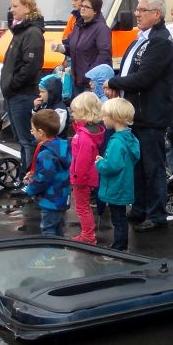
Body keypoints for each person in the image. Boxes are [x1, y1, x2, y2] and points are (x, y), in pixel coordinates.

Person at [106, 0, 173, 233]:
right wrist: (116, 82)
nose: (137, 13)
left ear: (157, 14)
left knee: (153, 167)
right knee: (137, 165)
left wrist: (114, 82)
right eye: (137, 8)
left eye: (142, 9)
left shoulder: (160, 41)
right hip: (137, 114)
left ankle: (157, 215)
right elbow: (128, 70)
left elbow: (145, 77)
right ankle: (139, 209)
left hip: (151, 115)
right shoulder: (141, 38)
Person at [1, 0, 45, 171]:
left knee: (27, 140)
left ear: (27, 7)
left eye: (15, 6)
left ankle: (30, 177)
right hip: (14, 93)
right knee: (22, 140)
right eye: (10, 7)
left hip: (23, 94)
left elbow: (30, 65)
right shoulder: (20, 30)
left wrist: (12, 84)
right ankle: (25, 175)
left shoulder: (32, 32)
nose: (11, 10)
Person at [95, 97, 140, 252]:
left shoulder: (116, 141)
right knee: (121, 218)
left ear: (114, 117)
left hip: (116, 186)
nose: (102, 119)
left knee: (118, 219)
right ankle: (121, 246)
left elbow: (111, 166)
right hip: (125, 184)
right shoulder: (130, 138)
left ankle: (119, 248)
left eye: (105, 116)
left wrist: (99, 163)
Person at [24, 109, 71, 238]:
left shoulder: (46, 153)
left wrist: (30, 189)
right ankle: (60, 249)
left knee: (48, 230)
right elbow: (52, 172)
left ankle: (49, 251)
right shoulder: (61, 146)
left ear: (40, 132)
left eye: (33, 129)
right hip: (62, 196)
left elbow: (44, 179)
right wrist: (34, 174)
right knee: (57, 228)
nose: (31, 131)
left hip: (51, 200)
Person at [53, 0, 111, 95]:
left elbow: (104, 54)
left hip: (92, 84)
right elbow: (75, 49)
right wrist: (61, 48)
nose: (82, 9)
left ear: (95, 11)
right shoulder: (78, 26)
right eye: (82, 6)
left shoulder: (101, 28)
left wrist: (90, 75)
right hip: (77, 81)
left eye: (87, 7)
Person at [69, 92, 105, 244]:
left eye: (75, 111)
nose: (72, 114)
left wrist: (77, 178)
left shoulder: (83, 136)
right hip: (88, 175)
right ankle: (88, 233)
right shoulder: (92, 131)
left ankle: (88, 236)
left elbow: (82, 160)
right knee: (84, 206)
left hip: (82, 177)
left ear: (85, 112)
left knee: (82, 207)